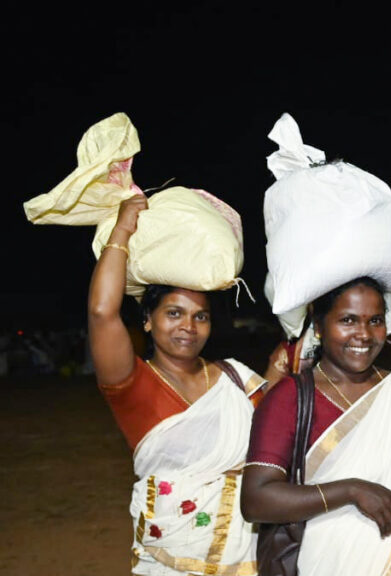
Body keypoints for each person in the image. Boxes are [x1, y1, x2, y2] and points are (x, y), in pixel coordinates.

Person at [88, 195, 267, 575]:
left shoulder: (235, 379)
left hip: (245, 554)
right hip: (168, 558)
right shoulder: (132, 383)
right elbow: (102, 313)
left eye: (200, 316)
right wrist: (121, 230)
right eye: (174, 313)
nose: (189, 326)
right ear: (148, 321)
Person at [241, 276, 391, 575]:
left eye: (375, 320)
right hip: (325, 562)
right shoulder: (291, 396)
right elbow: (256, 500)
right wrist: (350, 490)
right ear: (319, 327)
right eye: (348, 320)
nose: (363, 334)